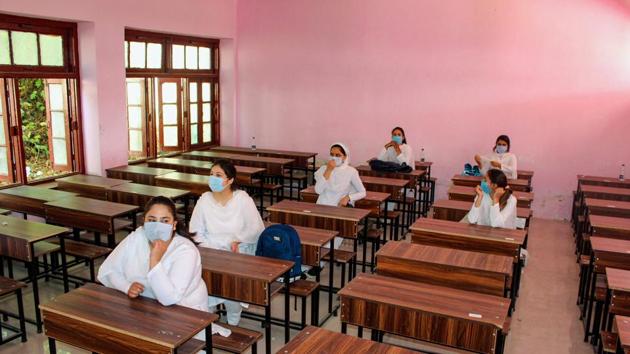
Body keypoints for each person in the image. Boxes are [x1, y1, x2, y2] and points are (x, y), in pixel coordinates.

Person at [97, 196, 230, 340]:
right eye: (152, 220)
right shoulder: (137, 237)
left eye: (164, 221)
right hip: (145, 307)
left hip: (183, 313)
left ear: (174, 225)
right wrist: (126, 286)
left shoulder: (186, 250)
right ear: (144, 222)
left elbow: (169, 298)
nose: (157, 226)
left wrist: (154, 260)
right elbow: (109, 270)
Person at [189, 159, 265, 326]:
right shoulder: (204, 200)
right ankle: (208, 319)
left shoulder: (242, 199)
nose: (213, 178)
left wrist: (237, 239)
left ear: (230, 180)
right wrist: (211, 248)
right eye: (211, 175)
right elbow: (195, 231)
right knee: (205, 285)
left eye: (218, 175)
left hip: (237, 250)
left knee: (231, 286)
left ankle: (233, 317)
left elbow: (255, 228)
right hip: (211, 250)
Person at [314, 142, 366, 249]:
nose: (334, 157)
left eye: (338, 155)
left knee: (330, 244)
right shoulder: (324, 169)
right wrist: (328, 170)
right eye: (332, 154)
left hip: (339, 210)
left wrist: (348, 197)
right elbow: (318, 190)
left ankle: (322, 260)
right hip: (321, 207)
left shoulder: (351, 171)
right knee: (317, 239)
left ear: (345, 157)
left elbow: (362, 192)